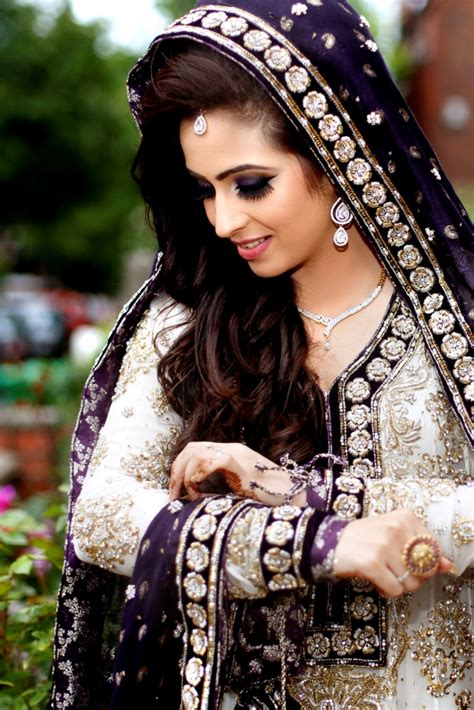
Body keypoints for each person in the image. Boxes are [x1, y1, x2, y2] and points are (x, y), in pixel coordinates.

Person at [51, 1, 473, 708]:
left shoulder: (455, 323)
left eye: (250, 184)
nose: (223, 220)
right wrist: (319, 544)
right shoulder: (187, 321)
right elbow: (103, 517)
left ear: (337, 154)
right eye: (204, 189)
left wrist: (300, 495)